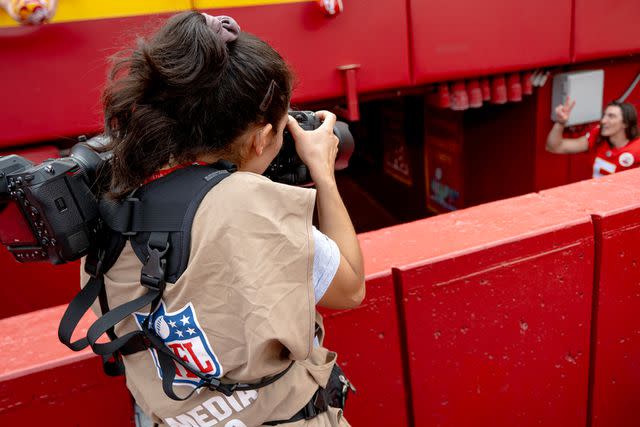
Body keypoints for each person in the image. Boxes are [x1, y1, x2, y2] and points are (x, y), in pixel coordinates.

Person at [85, 11, 365, 427]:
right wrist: (323, 174)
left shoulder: (114, 188)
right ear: (262, 138)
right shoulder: (251, 205)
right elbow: (350, 289)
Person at [546, 97, 640, 178]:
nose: (603, 121)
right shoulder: (597, 136)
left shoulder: (637, 148)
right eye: (604, 115)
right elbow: (554, 147)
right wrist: (560, 123)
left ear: (626, 123)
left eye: (611, 116)